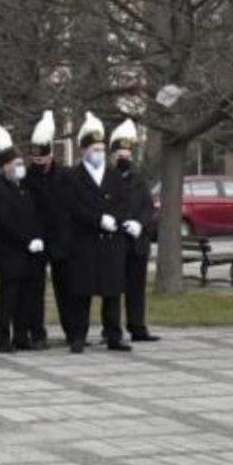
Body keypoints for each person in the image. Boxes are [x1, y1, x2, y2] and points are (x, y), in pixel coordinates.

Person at [59, 113, 132, 353]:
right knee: (82, 292)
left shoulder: (113, 175)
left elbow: (123, 202)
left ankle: (113, 335)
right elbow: (72, 206)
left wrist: (115, 218)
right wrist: (98, 219)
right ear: (84, 151)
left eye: (102, 148)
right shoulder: (72, 176)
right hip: (85, 242)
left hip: (111, 242)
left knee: (112, 292)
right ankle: (78, 336)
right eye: (95, 148)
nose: (99, 153)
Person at [0, 127, 45, 353]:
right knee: (8, 297)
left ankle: (21, 336)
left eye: (21, 163)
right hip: (12, 253)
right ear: (5, 166)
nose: (20, 167)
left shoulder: (24, 188)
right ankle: (2, 339)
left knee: (25, 297)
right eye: (16, 163)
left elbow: (33, 217)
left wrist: (37, 237)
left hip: (30, 253)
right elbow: (5, 222)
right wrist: (26, 241)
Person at [111, 120, 158, 342]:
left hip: (137, 243)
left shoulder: (139, 180)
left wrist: (140, 223)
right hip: (116, 241)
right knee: (113, 291)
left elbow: (147, 206)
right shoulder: (107, 179)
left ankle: (137, 327)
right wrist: (122, 222)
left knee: (136, 289)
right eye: (121, 154)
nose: (125, 159)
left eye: (128, 155)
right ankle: (111, 330)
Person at [24, 110, 62, 351]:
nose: (38, 164)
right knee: (34, 290)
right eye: (34, 160)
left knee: (65, 289)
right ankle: (37, 333)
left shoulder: (64, 176)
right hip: (35, 240)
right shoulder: (27, 178)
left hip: (59, 239)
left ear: (50, 156)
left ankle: (72, 331)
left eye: (42, 160)